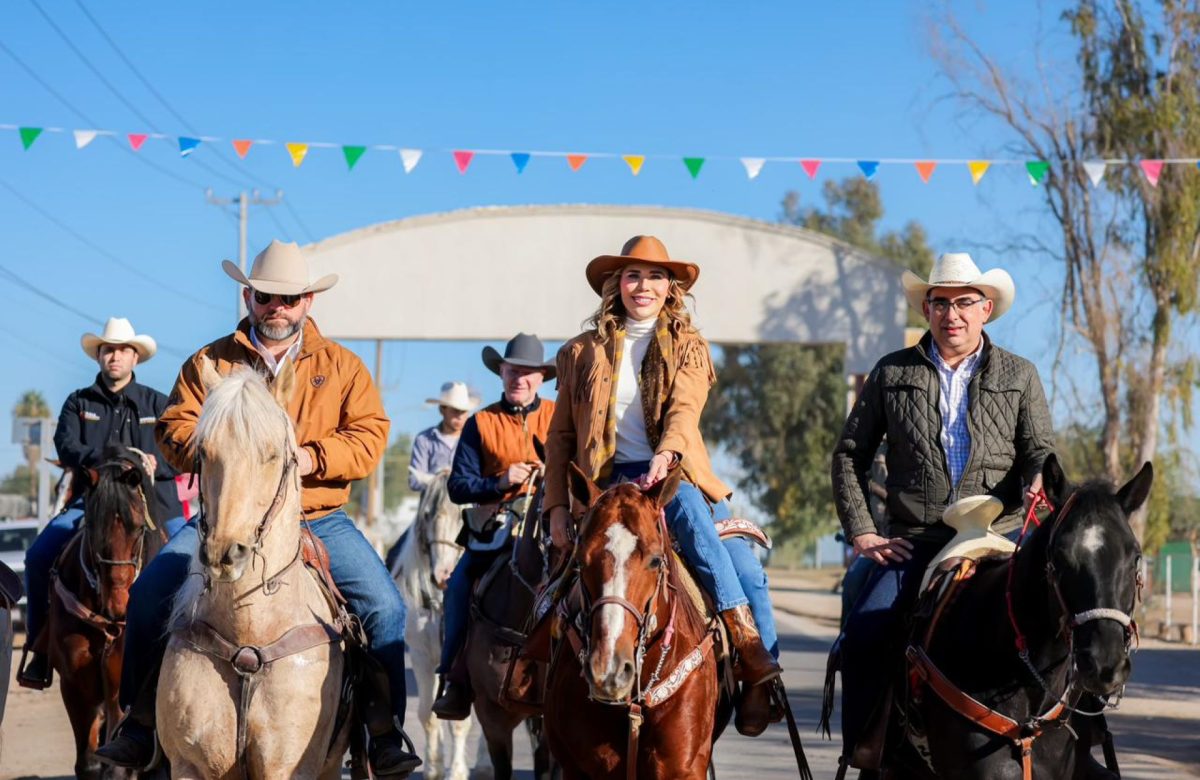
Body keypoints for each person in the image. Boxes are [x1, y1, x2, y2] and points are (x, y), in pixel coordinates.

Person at [95, 240, 420, 777]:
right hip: (226, 514)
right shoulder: (209, 361)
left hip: (316, 515)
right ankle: (140, 722)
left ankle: (381, 731)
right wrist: (213, 438)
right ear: (249, 296)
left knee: (385, 608)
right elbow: (174, 426)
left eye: (289, 299)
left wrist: (311, 455)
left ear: (308, 302)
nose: (278, 308)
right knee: (150, 592)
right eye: (267, 297)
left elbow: (368, 436)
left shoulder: (343, 366)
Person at [542, 235, 781, 737]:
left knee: (740, 564)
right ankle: (528, 668)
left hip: (669, 476)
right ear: (616, 286)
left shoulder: (689, 346)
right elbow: (560, 435)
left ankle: (751, 658)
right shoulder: (580, 352)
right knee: (554, 570)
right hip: (602, 481)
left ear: (670, 287)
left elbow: (685, 408)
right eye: (633, 275)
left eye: (654, 276)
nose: (642, 285)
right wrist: (557, 507)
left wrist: (667, 454)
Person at [830, 252, 1054, 767]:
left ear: (986, 308)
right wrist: (864, 532)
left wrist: (1040, 476)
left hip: (999, 538)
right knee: (865, 631)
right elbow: (850, 456)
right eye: (939, 303)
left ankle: (1077, 736)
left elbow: (1039, 449)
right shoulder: (892, 372)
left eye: (963, 303)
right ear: (927, 310)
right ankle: (867, 747)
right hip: (918, 536)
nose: (951, 313)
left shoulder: (1021, 375)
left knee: (1066, 626)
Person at [18, 317, 183, 690]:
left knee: (188, 561)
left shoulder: (158, 404)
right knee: (38, 557)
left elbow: (180, 452)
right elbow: (67, 445)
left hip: (154, 506)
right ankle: (40, 646)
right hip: (91, 504)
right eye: (108, 350)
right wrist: (113, 455)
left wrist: (154, 464)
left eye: (123, 350)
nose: (115, 357)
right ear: (99, 356)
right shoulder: (79, 403)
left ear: (135, 358)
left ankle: (187, 649)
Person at [431, 333, 556, 719]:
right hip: (494, 530)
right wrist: (500, 482)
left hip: (552, 524)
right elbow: (457, 487)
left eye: (528, 372)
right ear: (501, 373)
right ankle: (455, 678)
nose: (519, 378)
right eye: (512, 370)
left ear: (540, 378)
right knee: (459, 587)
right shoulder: (480, 423)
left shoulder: (558, 415)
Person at [408, 381, 478, 492]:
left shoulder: (475, 441)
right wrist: (440, 477)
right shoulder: (424, 440)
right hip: (432, 505)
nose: (460, 416)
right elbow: (414, 481)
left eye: (463, 411)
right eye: (455, 411)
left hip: (465, 504)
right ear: (442, 409)